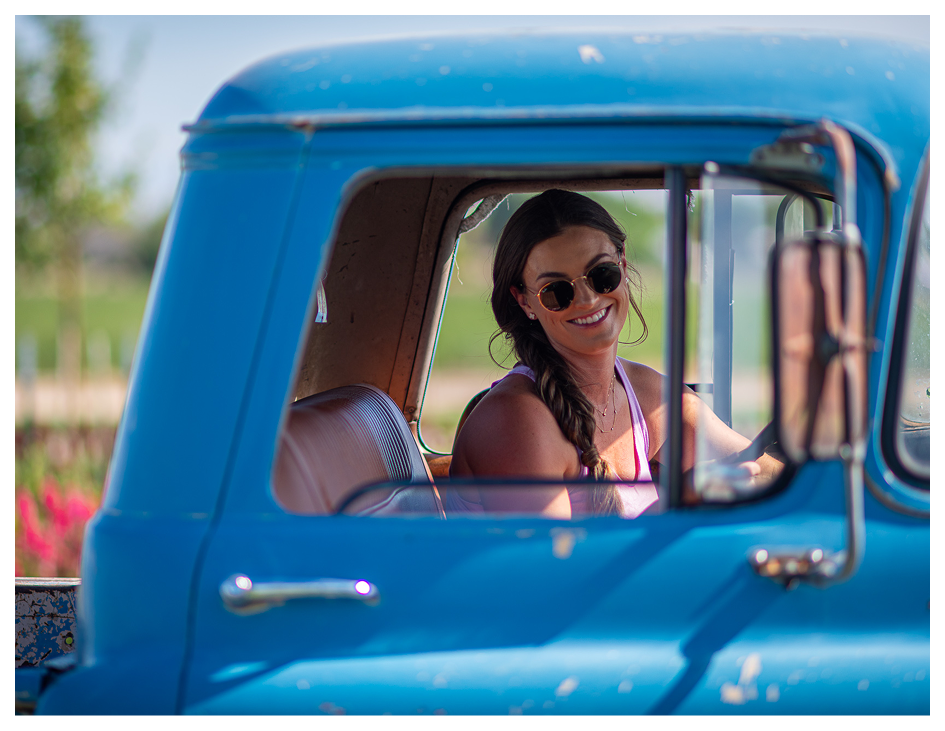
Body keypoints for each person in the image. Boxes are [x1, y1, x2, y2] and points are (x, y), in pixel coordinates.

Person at [449, 189, 782, 518]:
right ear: (525, 301)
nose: (587, 299)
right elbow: (555, 567)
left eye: (601, 275)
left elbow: (758, 467)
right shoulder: (517, 422)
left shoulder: (647, 394)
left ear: (622, 264)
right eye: (557, 291)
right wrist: (680, 501)